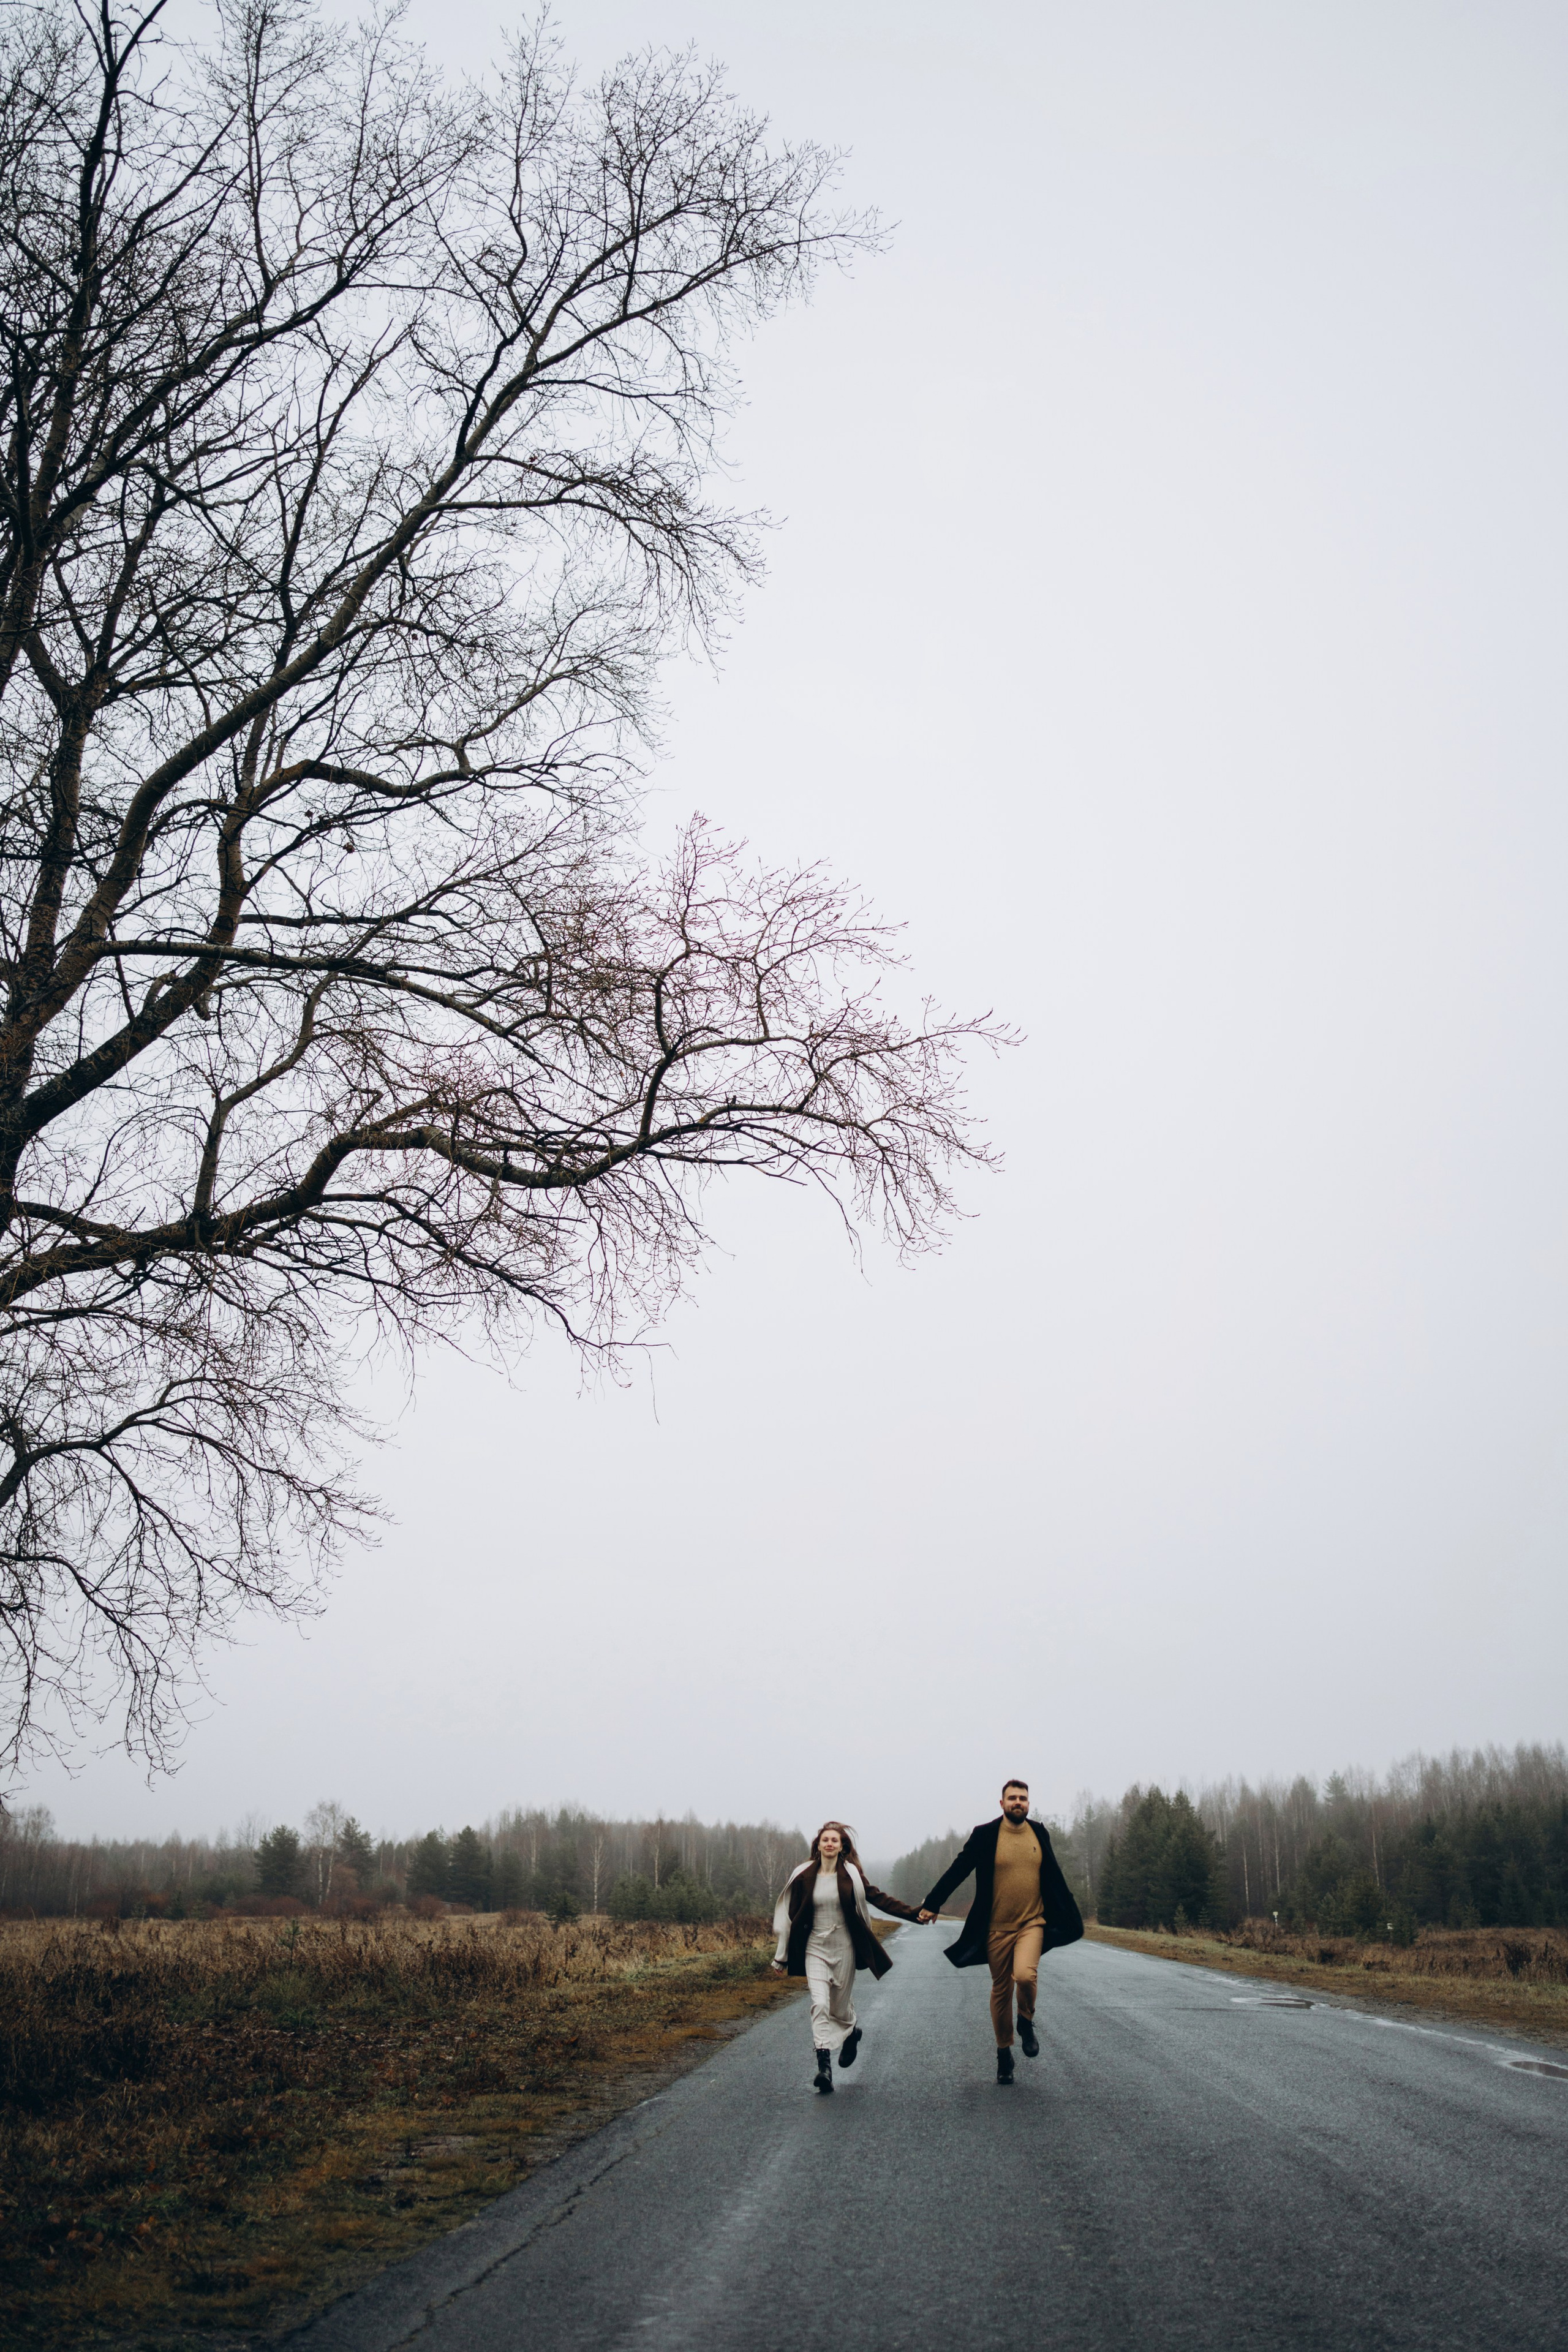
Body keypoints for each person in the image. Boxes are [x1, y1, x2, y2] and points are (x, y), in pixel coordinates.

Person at [917, 1777, 1084, 2084]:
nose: (1018, 1803)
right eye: (1012, 1798)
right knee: (1001, 1989)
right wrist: (935, 1901)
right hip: (995, 1928)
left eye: (1023, 1798)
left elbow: (1054, 1876)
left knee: (1025, 1975)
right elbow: (959, 1868)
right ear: (1002, 1803)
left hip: (1033, 1923)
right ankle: (1004, 2052)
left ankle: (1026, 2021)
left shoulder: (1039, 1833)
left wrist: (1070, 1912)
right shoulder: (986, 1835)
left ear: (1029, 1803)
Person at [771, 1820, 928, 2093]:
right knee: (820, 2004)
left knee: (840, 2009)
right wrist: (781, 1956)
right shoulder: (803, 1874)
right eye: (825, 1840)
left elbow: (879, 1898)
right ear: (818, 1846)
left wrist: (913, 1913)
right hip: (814, 1948)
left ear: (843, 1846)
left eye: (835, 1840)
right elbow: (787, 1915)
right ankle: (824, 2068)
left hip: (844, 1946)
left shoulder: (852, 1876)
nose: (830, 1843)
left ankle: (852, 2031)